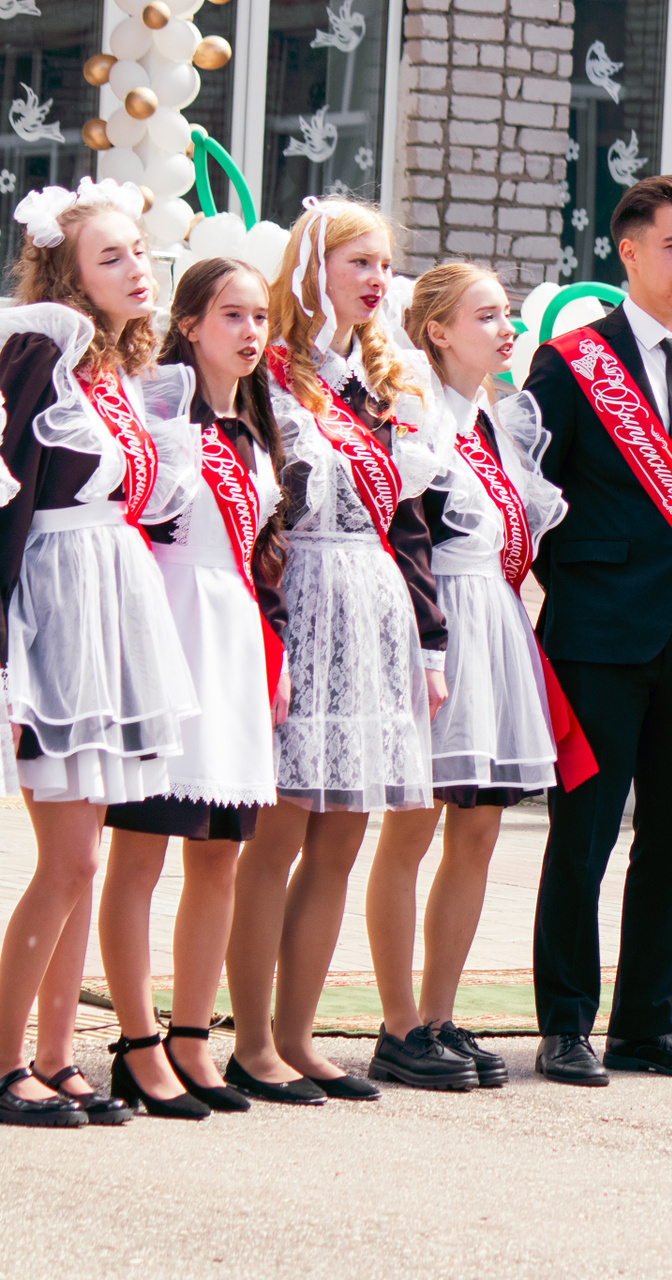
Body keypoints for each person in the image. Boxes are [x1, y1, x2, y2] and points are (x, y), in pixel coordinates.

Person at [224, 199, 453, 1106]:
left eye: (384, 265)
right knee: (279, 834)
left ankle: (298, 1035)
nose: (376, 279)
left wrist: (429, 639)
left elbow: (412, 524)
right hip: (303, 605)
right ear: (312, 265)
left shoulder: (383, 381)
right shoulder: (269, 369)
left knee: (343, 837)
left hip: (375, 610)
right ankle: (248, 1042)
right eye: (359, 261)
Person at [524, 174, 672, 1087]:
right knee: (582, 835)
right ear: (628, 252)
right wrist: (589, 585)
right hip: (599, 634)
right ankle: (566, 1023)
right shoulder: (572, 362)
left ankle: (646, 1023)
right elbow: (535, 501)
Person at [0, 178, 200, 1128]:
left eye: (140, 251)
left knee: (84, 857)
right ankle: (5, 1063)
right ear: (69, 275)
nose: (136, 268)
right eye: (110, 256)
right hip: (57, 608)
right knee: (72, 860)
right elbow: (9, 499)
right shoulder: (41, 351)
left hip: (112, 603)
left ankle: (55, 1057)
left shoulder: (121, 372)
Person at [361, 263, 570, 1090]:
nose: (506, 328)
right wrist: (425, 642)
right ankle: (397, 1025)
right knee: (411, 828)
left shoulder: (498, 420)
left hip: (496, 623)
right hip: (437, 624)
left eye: (508, 314)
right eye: (487, 316)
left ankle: (439, 1015)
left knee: (478, 829)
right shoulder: (414, 413)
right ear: (438, 330)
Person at [98, 258, 293, 1119]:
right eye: (231, 315)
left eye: (260, 317)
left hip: (234, 642)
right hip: (170, 630)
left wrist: (275, 659)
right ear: (189, 325)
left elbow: (261, 556)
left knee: (220, 852)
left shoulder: (255, 427)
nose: (250, 333)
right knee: (141, 849)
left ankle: (191, 1036)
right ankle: (136, 1042)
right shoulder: (158, 413)